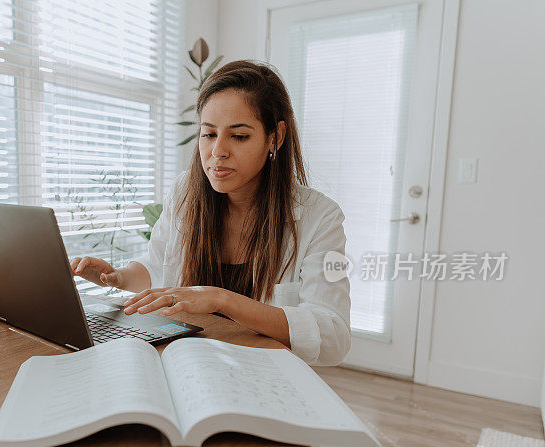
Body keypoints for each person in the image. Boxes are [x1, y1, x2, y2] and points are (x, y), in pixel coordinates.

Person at [70, 60, 350, 366]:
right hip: (188, 363)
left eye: (239, 136)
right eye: (209, 134)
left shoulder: (321, 218)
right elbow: (158, 267)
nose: (218, 151)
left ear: (275, 137)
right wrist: (117, 277)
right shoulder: (185, 192)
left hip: (263, 371)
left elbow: (334, 337)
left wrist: (221, 298)